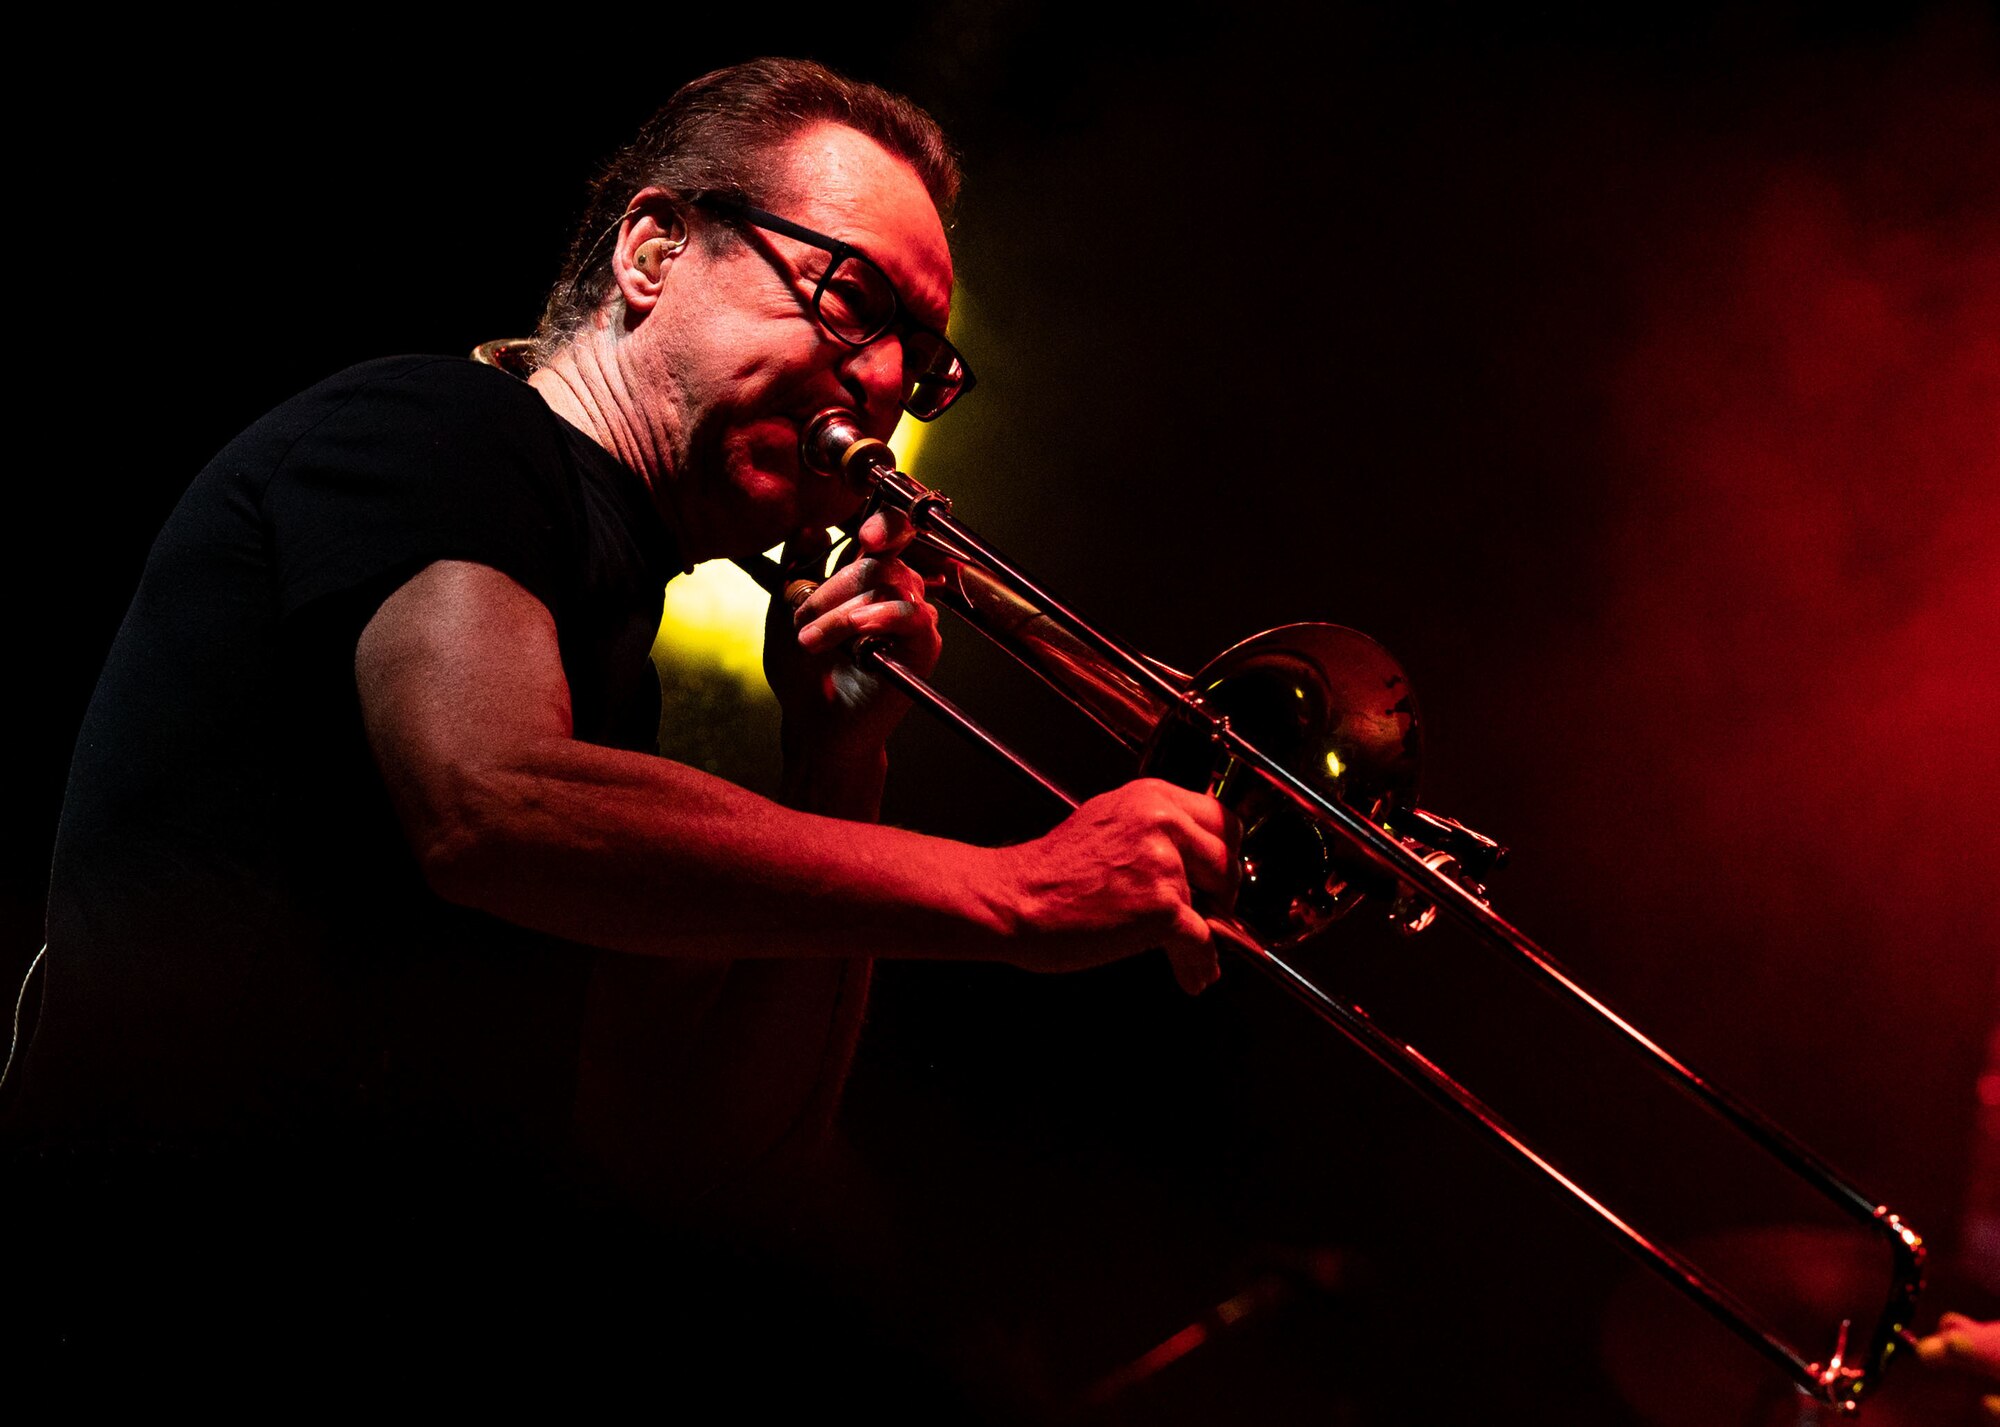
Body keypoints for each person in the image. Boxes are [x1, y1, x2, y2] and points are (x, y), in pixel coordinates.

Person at [0, 59, 1236, 1378]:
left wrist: (836, 765)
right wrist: (1018, 894)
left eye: (919, 361)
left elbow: (708, 1151)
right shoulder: (444, 428)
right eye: (853, 300)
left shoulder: (608, 652)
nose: (880, 378)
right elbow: (488, 800)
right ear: (655, 250)